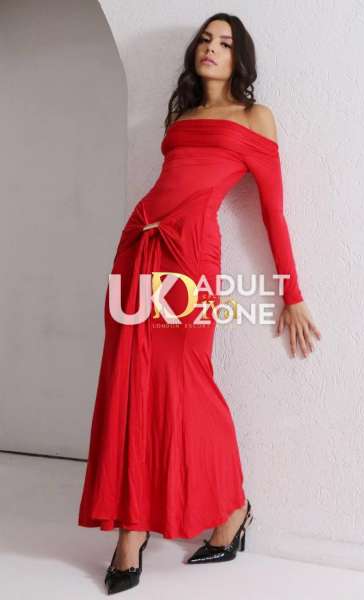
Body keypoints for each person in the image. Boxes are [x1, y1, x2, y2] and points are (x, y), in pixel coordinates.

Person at [78, 12, 321, 595]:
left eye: (226, 42)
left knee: (188, 383)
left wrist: (291, 294)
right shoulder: (181, 117)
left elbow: (273, 213)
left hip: (189, 259)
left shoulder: (255, 118)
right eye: (206, 40)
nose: (212, 48)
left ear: (240, 59)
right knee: (129, 384)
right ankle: (131, 532)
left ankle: (232, 510)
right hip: (138, 248)